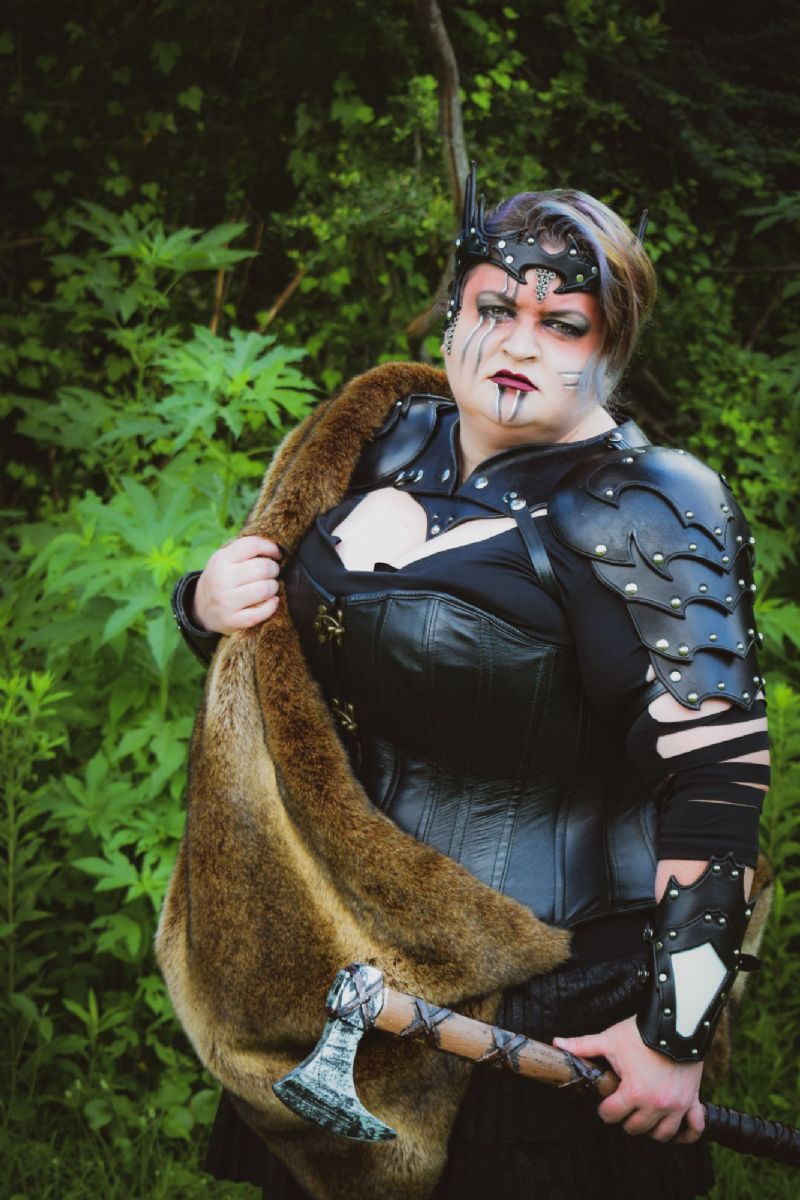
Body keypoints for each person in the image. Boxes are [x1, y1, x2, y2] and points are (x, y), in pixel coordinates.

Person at [166, 165, 769, 1199]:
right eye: (495, 308)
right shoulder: (382, 436)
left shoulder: (649, 506)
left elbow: (717, 780)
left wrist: (673, 1034)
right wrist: (204, 605)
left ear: (609, 347)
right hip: (343, 952)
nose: (518, 344)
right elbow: (299, 673)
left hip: (547, 990)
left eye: (562, 323)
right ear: (454, 313)